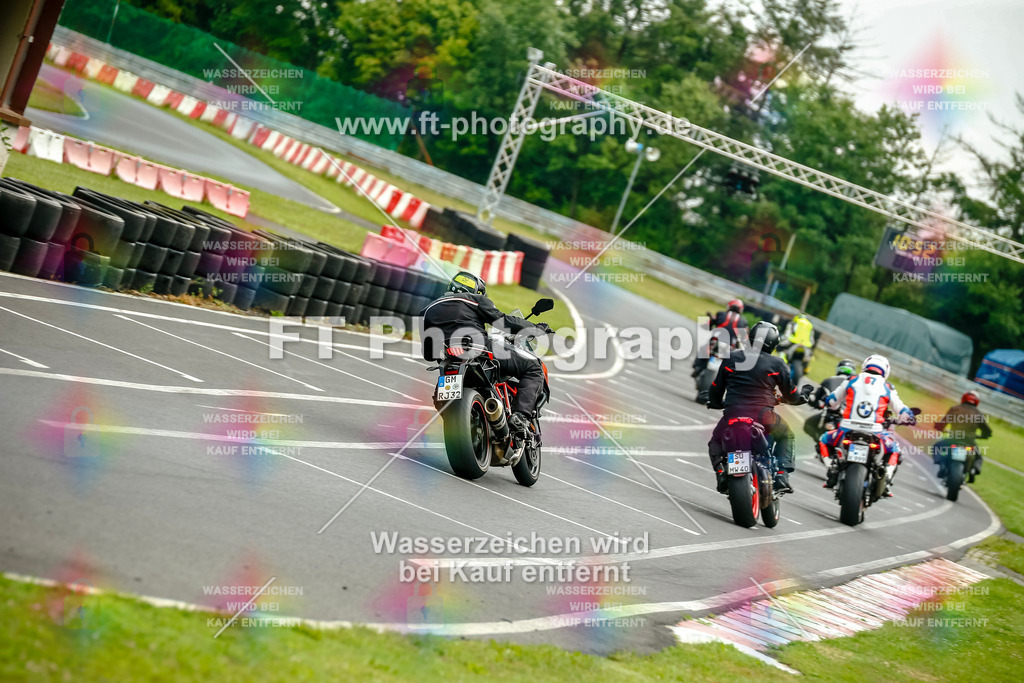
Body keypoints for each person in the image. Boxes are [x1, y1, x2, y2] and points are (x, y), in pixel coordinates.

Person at [420, 271, 550, 439]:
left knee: (439, 397)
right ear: (476, 290)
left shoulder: (427, 310)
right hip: (479, 349)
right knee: (533, 368)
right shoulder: (475, 300)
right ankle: (520, 416)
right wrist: (535, 328)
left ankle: (465, 424)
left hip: (450, 357)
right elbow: (503, 322)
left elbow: (429, 354)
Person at [706, 321, 809, 494]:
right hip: (763, 415)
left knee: (715, 441)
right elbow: (791, 393)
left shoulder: (731, 357)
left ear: (750, 337)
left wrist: (715, 402)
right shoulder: (777, 364)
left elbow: (716, 388)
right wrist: (800, 397)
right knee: (786, 434)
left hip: (732, 415)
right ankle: (782, 475)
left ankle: (722, 472)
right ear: (774, 343)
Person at [819, 354, 916, 495]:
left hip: (847, 428)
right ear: (886, 371)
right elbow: (900, 408)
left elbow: (832, 402)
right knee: (895, 450)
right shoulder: (887, 387)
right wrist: (909, 417)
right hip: (875, 432)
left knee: (824, 440)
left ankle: (831, 470)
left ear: (865, 366)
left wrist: (830, 404)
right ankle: (887, 478)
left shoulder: (851, 380)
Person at [932, 391, 991, 482]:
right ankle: (973, 470)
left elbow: (943, 422)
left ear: (963, 398)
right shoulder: (978, 413)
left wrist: (939, 427)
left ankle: (941, 463)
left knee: (937, 447)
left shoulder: (955, 409)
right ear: (976, 402)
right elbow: (987, 430)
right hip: (969, 442)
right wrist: (984, 436)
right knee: (978, 457)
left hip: (953, 439)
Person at [803, 359, 857, 447]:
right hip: (850, 418)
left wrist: (817, 404)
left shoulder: (828, 380)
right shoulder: (856, 384)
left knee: (808, 424)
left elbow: (814, 399)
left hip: (832, 414)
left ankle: (820, 442)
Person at [693, 299, 748, 377]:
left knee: (703, 349)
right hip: (731, 347)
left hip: (716, 342)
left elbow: (706, 325)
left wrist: (710, 321)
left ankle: (697, 367)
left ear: (729, 306)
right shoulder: (743, 321)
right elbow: (745, 338)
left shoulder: (721, 314)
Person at [778, 313, 815, 383]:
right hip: (806, 346)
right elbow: (812, 340)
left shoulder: (793, 323)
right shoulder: (810, 326)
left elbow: (787, 335)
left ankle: (780, 366)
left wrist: (781, 342)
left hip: (793, 342)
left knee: (781, 350)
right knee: (809, 357)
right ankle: (806, 368)